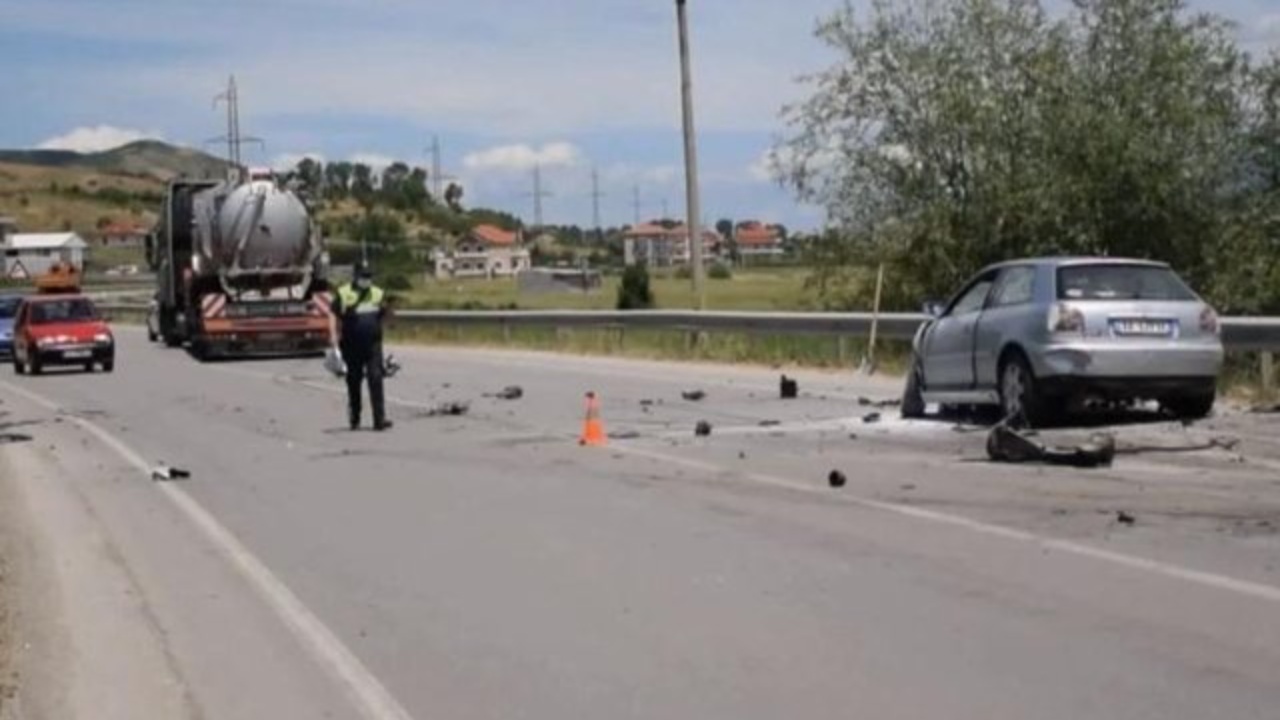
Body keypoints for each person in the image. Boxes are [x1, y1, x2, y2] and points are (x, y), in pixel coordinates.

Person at [329, 261, 393, 431]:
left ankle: (379, 420)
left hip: (372, 344)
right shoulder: (344, 293)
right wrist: (333, 337)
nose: (367, 279)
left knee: (376, 378)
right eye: (364, 276)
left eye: (369, 276)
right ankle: (355, 416)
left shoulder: (377, 293)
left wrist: (388, 319)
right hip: (351, 345)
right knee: (354, 381)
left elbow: (385, 313)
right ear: (356, 276)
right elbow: (334, 314)